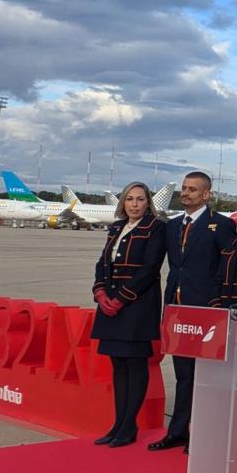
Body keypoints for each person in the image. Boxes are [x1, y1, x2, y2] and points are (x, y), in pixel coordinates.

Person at [150, 171, 237, 451]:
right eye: (184, 189)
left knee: (207, 376)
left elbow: (229, 267)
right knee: (184, 374)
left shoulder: (220, 225)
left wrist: (219, 301)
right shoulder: (172, 226)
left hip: (206, 311)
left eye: (192, 189)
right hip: (177, 310)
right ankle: (178, 431)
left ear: (206, 194)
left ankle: (204, 431)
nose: (186, 193)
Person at [90, 182, 167, 447]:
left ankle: (129, 425)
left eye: (140, 199)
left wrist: (121, 298)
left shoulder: (156, 228)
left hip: (137, 305)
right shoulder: (116, 227)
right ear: (123, 202)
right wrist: (100, 292)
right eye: (130, 199)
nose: (134, 204)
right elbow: (103, 263)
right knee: (118, 364)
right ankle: (118, 423)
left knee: (134, 363)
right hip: (110, 304)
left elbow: (149, 269)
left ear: (148, 203)